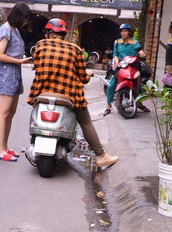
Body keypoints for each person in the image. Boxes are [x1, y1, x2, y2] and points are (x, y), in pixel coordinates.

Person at [28, 19, 119, 169]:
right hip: (68, 96)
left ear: (49, 33)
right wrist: (88, 73)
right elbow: (83, 78)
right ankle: (101, 156)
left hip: (43, 93)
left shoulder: (40, 45)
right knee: (86, 122)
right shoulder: (75, 49)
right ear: (63, 34)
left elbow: (37, 67)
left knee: (35, 110)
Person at [0, 2, 32, 162]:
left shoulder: (15, 30)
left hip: (14, 74)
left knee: (10, 112)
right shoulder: (6, 29)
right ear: (19, 15)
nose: (26, 22)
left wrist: (21, 62)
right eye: (25, 18)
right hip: (6, 74)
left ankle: (5, 147)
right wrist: (20, 62)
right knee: (3, 112)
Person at [103, 23, 146, 116]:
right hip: (121, 66)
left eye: (125, 31)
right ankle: (108, 105)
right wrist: (117, 62)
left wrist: (142, 54)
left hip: (133, 66)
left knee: (140, 86)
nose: (123, 33)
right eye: (122, 31)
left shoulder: (134, 42)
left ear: (129, 32)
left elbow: (140, 51)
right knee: (111, 85)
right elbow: (115, 54)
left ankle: (139, 103)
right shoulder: (117, 42)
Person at [158, 21, 172, 86]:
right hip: (168, 61)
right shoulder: (171, 38)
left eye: (169, 27)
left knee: (168, 80)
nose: (168, 28)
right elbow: (168, 48)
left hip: (171, 62)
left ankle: (169, 95)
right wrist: (161, 43)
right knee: (167, 79)